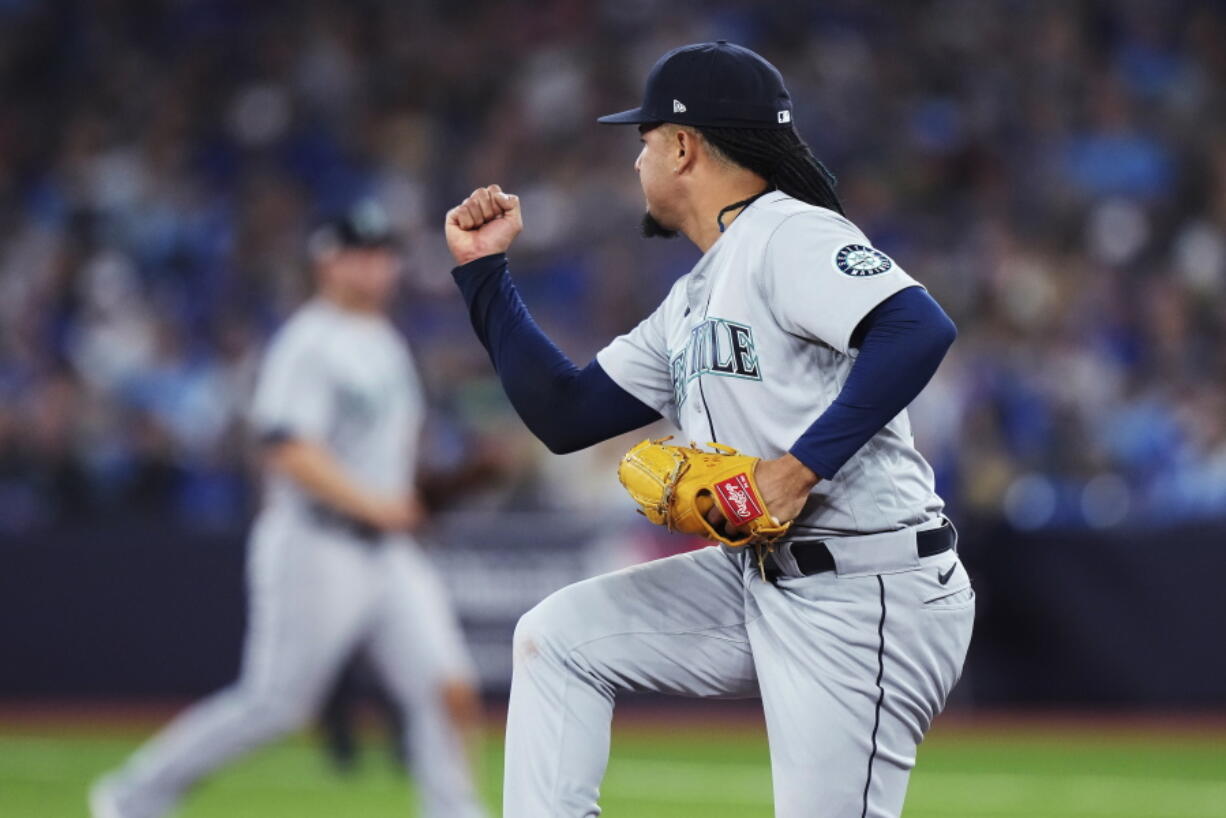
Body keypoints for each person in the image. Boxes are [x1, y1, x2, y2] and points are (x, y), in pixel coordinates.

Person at [444, 42, 974, 818]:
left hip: (868, 584)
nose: (637, 163)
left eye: (645, 141)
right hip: (762, 578)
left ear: (684, 146)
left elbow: (917, 327)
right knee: (558, 638)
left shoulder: (788, 232)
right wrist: (484, 273)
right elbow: (567, 414)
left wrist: (793, 472)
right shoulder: (694, 294)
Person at [91, 201, 487, 818]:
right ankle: (133, 795)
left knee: (445, 689)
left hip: (388, 551)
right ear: (327, 262)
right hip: (316, 542)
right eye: (361, 253)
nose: (377, 265)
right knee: (276, 704)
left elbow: (388, 453)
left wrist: (420, 495)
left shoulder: (384, 340)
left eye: (384, 254)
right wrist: (381, 506)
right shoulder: (308, 342)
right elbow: (286, 448)